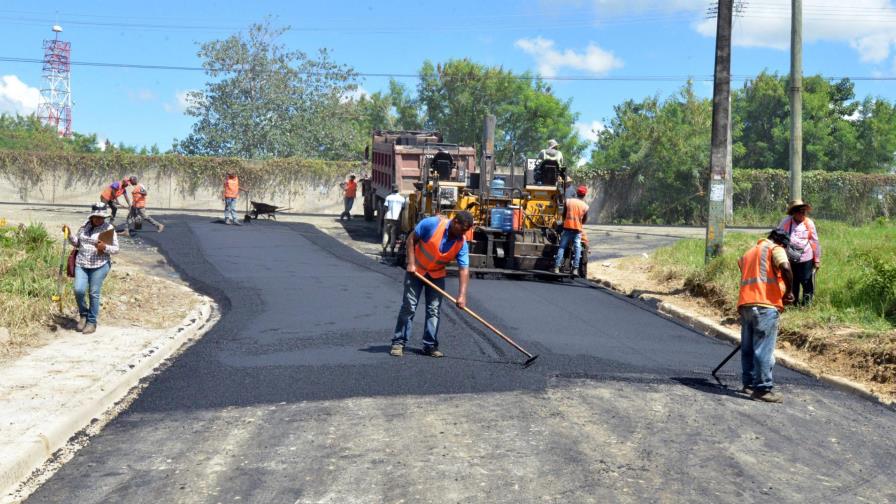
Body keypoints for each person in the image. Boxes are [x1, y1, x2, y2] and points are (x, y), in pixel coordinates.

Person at [390, 211, 474, 358]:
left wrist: (462, 296)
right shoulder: (432, 224)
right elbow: (411, 239)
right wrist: (410, 262)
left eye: (466, 231)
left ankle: (429, 345)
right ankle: (398, 342)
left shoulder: (461, 242)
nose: (464, 233)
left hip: (436, 275)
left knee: (434, 310)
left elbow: (464, 269)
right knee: (409, 307)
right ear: (455, 222)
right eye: (462, 229)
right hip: (416, 271)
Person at [736, 229, 795, 403]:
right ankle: (762, 389)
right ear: (781, 242)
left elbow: (747, 271)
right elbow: (785, 267)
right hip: (765, 305)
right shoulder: (775, 248)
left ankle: (749, 384)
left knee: (747, 347)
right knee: (763, 348)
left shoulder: (749, 252)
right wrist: (789, 292)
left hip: (746, 304)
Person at [62, 203, 120, 335]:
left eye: (101, 217)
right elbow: (77, 243)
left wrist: (104, 247)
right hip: (82, 263)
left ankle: (92, 322)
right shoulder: (85, 226)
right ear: (92, 216)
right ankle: (84, 314)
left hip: (99, 264)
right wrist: (70, 235)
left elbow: (116, 249)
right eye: (96, 217)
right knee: (79, 290)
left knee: (94, 292)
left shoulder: (108, 228)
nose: (99, 219)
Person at [778, 199, 821, 306]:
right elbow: (778, 237)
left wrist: (817, 260)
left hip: (806, 258)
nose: (802, 213)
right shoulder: (786, 222)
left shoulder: (809, 223)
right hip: (790, 258)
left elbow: (814, 241)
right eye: (799, 211)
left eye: (804, 211)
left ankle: (807, 304)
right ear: (793, 212)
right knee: (792, 281)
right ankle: (794, 304)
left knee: (806, 281)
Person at [552, 185, 589, 276]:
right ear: (584, 195)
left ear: (576, 193)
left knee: (562, 247)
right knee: (577, 249)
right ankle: (575, 269)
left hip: (567, 228)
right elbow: (584, 219)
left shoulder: (568, 201)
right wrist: (578, 223)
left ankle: (556, 267)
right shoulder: (585, 206)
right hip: (577, 230)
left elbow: (564, 214)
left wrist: (565, 222)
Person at [382, 184, 406, 256]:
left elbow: (385, 207)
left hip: (388, 217)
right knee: (393, 233)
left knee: (386, 233)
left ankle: (384, 249)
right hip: (396, 218)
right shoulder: (402, 199)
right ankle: (392, 250)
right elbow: (403, 209)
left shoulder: (388, 197)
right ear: (398, 190)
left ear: (392, 189)